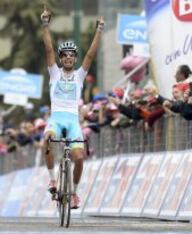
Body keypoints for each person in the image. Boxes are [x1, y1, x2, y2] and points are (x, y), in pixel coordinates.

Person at [40, 5, 104, 209]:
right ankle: (52, 179)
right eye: (65, 55)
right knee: (48, 139)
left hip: (73, 121)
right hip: (57, 119)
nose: (68, 57)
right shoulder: (54, 73)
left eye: (71, 55)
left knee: (79, 158)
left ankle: (74, 193)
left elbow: (91, 55)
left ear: (75, 59)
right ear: (61, 58)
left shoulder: (79, 76)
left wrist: (99, 31)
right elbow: (48, 48)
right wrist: (45, 25)